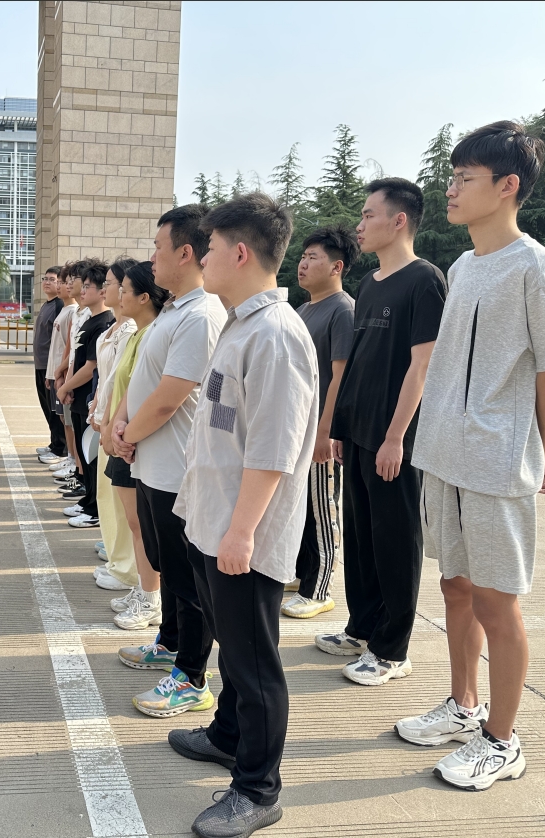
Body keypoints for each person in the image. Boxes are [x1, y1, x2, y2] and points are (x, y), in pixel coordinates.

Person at [397, 122, 545, 790]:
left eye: (464, 178)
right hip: (445, 453)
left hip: (496, 461)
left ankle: (502, 740)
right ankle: (462, 705)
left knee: (498, 604)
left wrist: (542, 452)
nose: (450, 189)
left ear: (506, 186)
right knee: (455, 587)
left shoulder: (533, 264)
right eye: (452, 176)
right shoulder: (463, 266)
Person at [168, 192, 316, 838]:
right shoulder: (239, 324)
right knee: (233, 649)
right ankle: (228, 734)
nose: (201, 258)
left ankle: (257, 788)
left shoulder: (276, 335)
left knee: (255, 665)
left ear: (239, 253)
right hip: (213, 520)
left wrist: (242, 531)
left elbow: (273, 449)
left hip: (241, 533)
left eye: (209, 247)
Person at [319, 178, 447, 685]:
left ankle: (392, 650)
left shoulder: (424, 280)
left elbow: (422, 366)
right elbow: (358, 362)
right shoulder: (370, 284)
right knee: (361, 537)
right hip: (358, 431)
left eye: (369, 214)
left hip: (394, 437)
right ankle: (362, 628)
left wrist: (396, 437)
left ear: (399, 221)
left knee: (395, 541)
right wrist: (340, 426)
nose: (360, 224)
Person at [111, 204, 227, 718]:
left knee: (188, 579)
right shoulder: (177, 310)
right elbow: (144, 380)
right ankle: (171, 642)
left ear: (185, 252)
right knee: (169, 567)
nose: (151, 257)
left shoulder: (202, 315)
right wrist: (122, 425)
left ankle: (192, 677)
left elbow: (170, 397)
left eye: (158, 247)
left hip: (178, 468)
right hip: (153, 464)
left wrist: (126, 435)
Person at [282, 225, 359, 619]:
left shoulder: (343, 310)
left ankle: (318, 589)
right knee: (300, 505)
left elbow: (341, 376)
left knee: (322, 508)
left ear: (336, 267)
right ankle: (300, 573)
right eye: (302, 256)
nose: (303, 264)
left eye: (313, 257)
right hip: (297, 426)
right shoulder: (303, 310)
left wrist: (326, 432)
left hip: (319, 431)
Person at [101, 261, 169, 630]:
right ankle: (145, 590)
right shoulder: (138, 334)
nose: (119, 295)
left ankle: (150, 599)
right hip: (125, 435)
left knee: (143, 526)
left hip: (136, 440)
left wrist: (124, 434)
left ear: (144, 297)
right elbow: (124, 389)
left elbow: (154, 395)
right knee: (136, 523)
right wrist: (111, 424)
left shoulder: (152, 334)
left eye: (125, 289)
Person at [89, 257, 139, 589]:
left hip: (116, 423)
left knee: (125, 508)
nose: (105, 288)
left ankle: (127, 567)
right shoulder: (113, 329)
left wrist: (108, 419)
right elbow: (105, 379)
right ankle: (116, 558)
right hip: (104, 418)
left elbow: (121, 384)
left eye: (110, 283)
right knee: (107, 497)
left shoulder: (132, 331)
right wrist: (97, 408)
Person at [58, 261, 114, 528]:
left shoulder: (104, 323)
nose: (82, 290)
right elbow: (75, 359)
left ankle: (94, 509)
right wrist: (67, 385)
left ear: (103, 291)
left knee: (91, 456)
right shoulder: (90, 320)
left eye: (88, 286)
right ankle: (88, 500)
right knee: (84, 452)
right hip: (79, 397)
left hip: (89, 398)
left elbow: (91, 367)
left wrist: (65, 387)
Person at [42, 263, 78, 469]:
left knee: (69, 420)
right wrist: (52, 373)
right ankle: (70, 459)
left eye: (65, 282)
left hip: (64, 376)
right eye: (63, 282)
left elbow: (70, 350)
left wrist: (60, 373)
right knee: (64, 418)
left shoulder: (73, 312)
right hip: (57, 374)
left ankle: (70, 458)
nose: (62, 286)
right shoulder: (65, 310)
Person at [33, 267, 66, 461]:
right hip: (40, 365)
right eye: (45, 278)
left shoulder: (59, 305)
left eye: (52, 279)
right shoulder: (47, 305)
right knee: (47, 407)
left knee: (55, 409)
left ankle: (60, 448)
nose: (47, 282)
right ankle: (54, 443)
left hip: (51, 367)